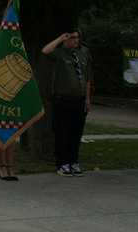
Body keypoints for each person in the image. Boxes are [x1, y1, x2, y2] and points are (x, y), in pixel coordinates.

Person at [42, 29, 92, 177]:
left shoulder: (84, 52)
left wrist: (88, 99)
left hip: (80, 99)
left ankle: (73, 161)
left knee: (76, 132)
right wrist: (60, 38)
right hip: (63, 99)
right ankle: (62, 163)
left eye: (77, 37)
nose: (76, 40)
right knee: (62, 132)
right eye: (72, 38)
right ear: (65, 39)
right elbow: (45, 50)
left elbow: (88, 77)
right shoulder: (60, 52)